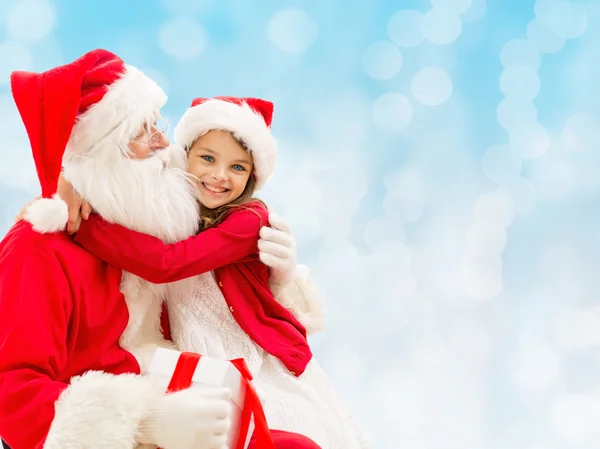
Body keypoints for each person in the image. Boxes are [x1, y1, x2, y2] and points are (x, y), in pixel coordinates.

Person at [0, 49, 320, 449]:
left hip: (178, 393)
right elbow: (12, 399)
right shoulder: (38, 248)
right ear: (102, 152)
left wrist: (281, 279)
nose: (163, 143)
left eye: (159, 125)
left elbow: (214, 300)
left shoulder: (140, 229)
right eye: (141, 132)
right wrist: (145, 425)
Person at [57, 96, 369, 449]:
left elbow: (167, 264)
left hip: (253, 359)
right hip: (195, 356)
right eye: (208, 158)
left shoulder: (249, 220)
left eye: (238, 167)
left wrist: (82, 226)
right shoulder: (175, 202)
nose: (219, 176)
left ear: (253, 176)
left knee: (281, 435)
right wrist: (70, 183)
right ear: (184, 155)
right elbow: (123, 186)